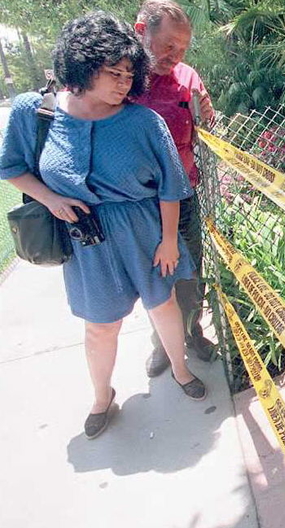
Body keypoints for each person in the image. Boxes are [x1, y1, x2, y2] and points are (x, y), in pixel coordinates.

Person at [0, 12, 207, 439]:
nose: (123, 83)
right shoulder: (34, 112)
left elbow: (172, 185)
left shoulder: (143, 121)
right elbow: (12, 167)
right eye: (113, 73)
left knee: (162, 303)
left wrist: (169, 240)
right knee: (99, 324)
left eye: (129, 74)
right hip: (84, 240)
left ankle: (182, 371)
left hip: (143, 230)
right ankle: (101, 396)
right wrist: (51, 199)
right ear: (80, 67)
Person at [132, 0, 217, 377]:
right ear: (141, 32)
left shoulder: (188, 78)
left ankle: (193, 332)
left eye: (181, 48)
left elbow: (207, 131)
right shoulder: (120, 81)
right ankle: (163, 345)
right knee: (152, 280)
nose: (174, 55)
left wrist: (208, 118)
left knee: (189, 272)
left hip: (184, 197)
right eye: (167, 45)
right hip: (138, 204)